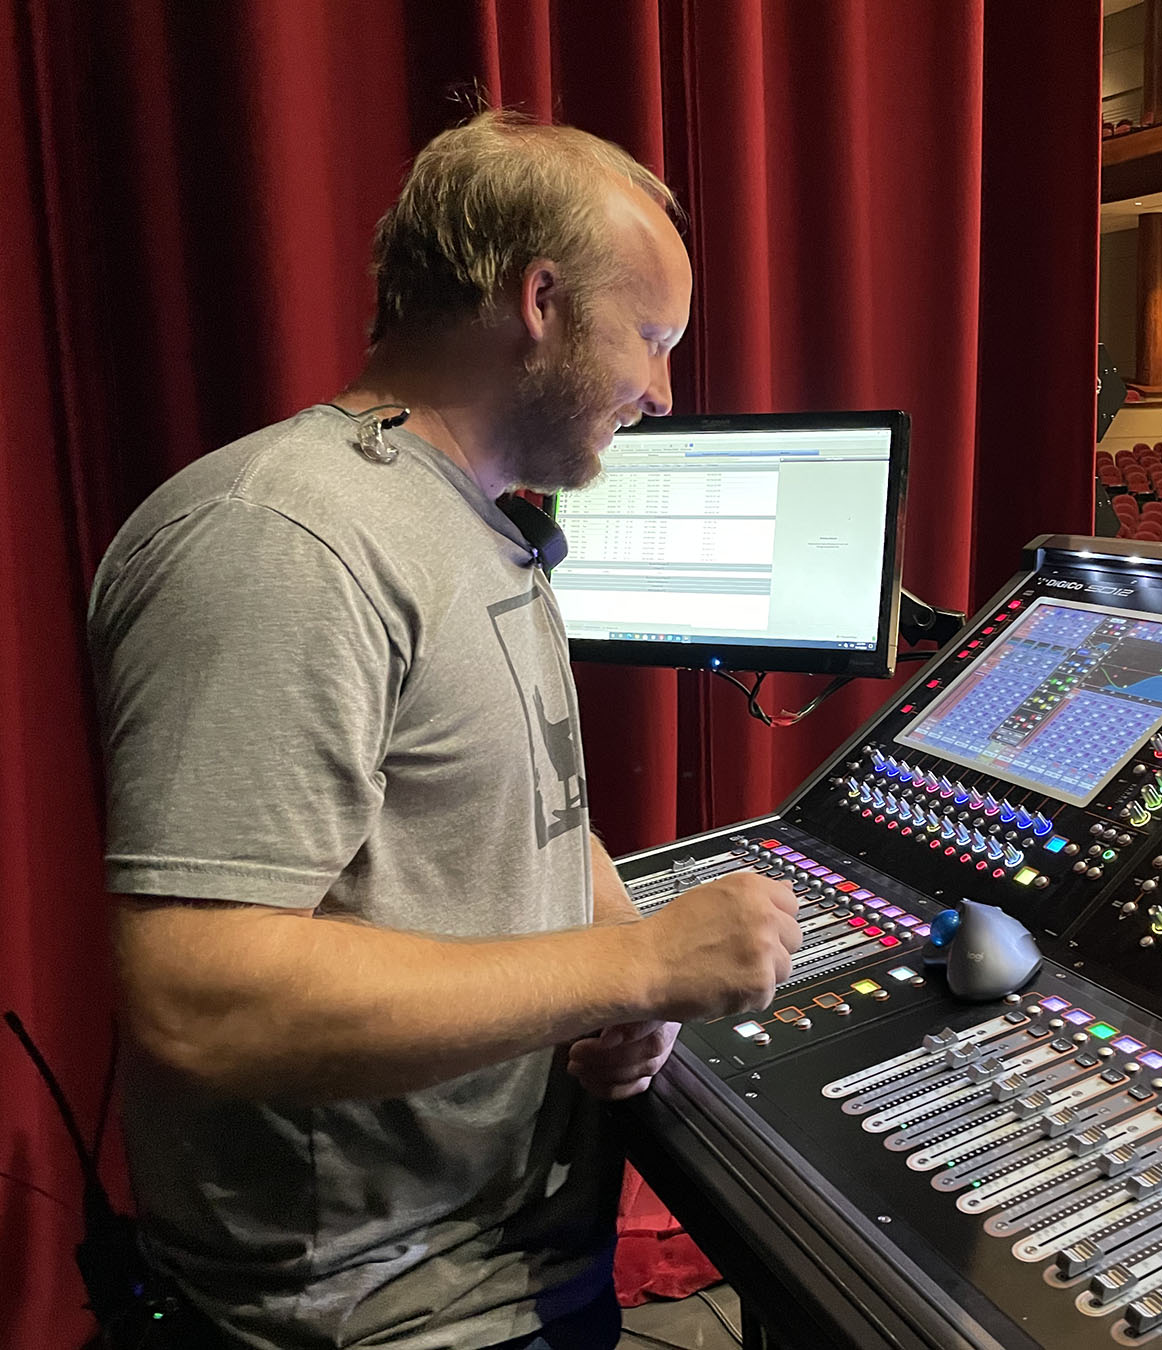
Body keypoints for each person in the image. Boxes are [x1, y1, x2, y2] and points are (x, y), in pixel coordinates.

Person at [87, 112, 803, 1350]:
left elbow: (534, 810)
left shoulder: (470, 520)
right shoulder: (285, 541)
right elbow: (199, 999)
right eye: (653, 337)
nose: (664, 392)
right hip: (381, 1323)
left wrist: (622, 949)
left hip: (506, 1269)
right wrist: (637, 967)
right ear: (540, 299)